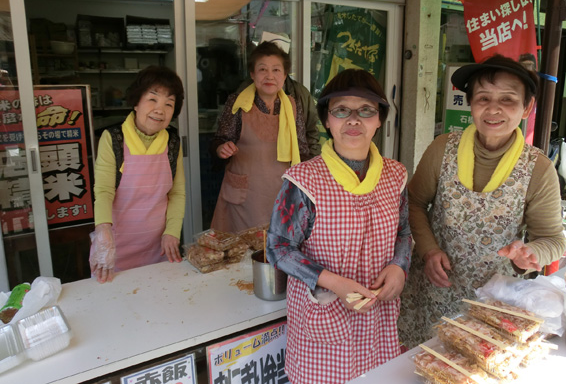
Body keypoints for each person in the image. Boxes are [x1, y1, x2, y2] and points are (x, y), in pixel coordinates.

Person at [398, 54, 566, 348]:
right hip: (429, 288)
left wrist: (529, 254)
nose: (493, 109)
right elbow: (413, 203)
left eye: (508, 100)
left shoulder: (537, 168)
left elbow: (552, 239)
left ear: (527, 108)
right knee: (419, 363)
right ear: (471, 103)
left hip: (490, 299)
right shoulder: (443, 149)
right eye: (483, 98)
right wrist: (428, 249)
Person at [266, 69, 412, 384]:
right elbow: (278, 248)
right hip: (325, 315)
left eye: (366, 111)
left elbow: (403, 232)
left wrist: (399, 266)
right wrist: (334, 283)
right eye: (342, 110)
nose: (354, 120)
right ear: (328, 121)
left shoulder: (395, 176)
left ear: (379, 120)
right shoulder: (304, 181)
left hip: (378, 316)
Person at [90, 65, 186, 283]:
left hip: (158, 247)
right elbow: (104, 190)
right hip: (116, 246)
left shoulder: (172, 142)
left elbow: (177, 193)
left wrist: (172, 232)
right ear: (136, 102)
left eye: (168, 104)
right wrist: (103, 231)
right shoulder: (113, 138)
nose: (159, 110)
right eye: (152, 100)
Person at [210, 41, 310, 233]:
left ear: (285, 75)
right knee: (242, 251)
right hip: (246, 195)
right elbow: (219, 140)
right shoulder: (238, 102)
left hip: (281, 191)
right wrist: (222, 148)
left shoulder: (292, 105)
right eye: (262, 69)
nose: (269, 76)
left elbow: (302, 149)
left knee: (277, 246)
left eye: (276, 70)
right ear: (253, 74)